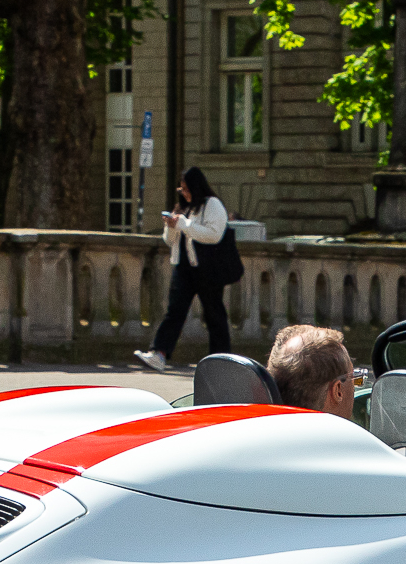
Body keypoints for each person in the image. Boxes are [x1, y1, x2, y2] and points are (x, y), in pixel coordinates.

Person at [134, 167, 242, 371]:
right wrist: (171, 226)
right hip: (183, 269)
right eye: (181, 189)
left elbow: (214, 235)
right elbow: (170, 241)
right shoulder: (183, 208)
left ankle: (222, 361)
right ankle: (159, 353)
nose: (184, 193)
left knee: (214, 315)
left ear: (196, 186)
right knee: (174, 312)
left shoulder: (212, 205)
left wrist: (183, 224)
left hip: (208, 269)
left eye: (187, 189)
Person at [266, 324, 356, 417]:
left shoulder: (257, 426)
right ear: (338, 390)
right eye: (354, 378)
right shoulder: (349, 431)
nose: (354, 387)